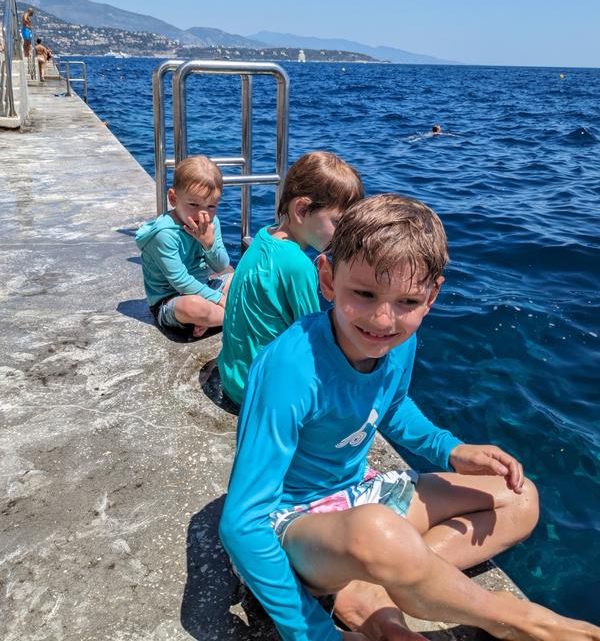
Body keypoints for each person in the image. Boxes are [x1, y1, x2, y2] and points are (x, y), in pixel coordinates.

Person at [220, 194, 599, 641]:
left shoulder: (397, 341)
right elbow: (241, 524)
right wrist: (313, 633)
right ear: (327, 277)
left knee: (520, 497)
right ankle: (517, 619)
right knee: (377, 531)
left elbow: (393, 405)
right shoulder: (291, 369)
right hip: (294, 528)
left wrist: (451, 449)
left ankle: (373, 587)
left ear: (431, 296)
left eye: (406, 301)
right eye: (363, 293)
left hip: (360, 495)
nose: (383, 319)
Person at [218, 151, 364, 405]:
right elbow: (314, 340)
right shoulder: (297, 265)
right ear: (302, 209)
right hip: (258, 392)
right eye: (338, 223)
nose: (344, 235)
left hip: (234, 377)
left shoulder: (264, 236)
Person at [136, 156, 233, 338]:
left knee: (239, 278)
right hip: (171, 300)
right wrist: (219, 300)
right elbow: (180, 281)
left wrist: (208, 243)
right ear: (173, 198)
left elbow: (221, 266)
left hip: (204, 286)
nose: (202, 213)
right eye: (193, 204)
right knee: (193, 306)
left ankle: (213, 318)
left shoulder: (212, 223)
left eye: (211, 206)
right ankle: (234, 316)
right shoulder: (164, 234)